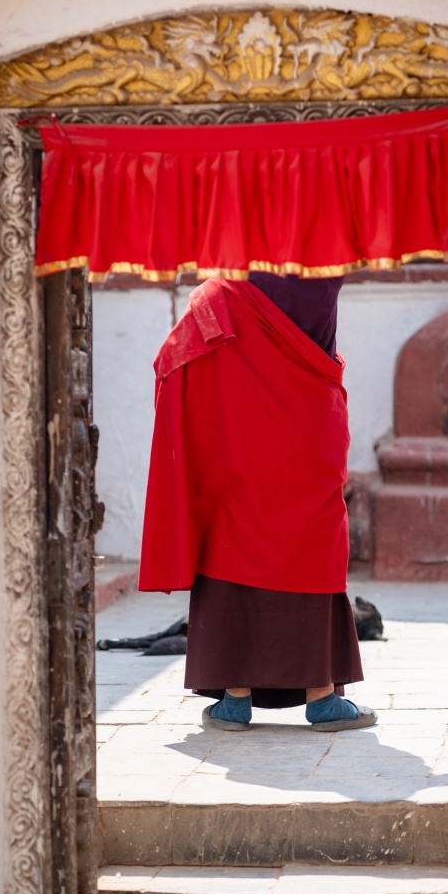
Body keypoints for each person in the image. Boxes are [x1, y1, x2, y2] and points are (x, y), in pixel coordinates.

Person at [138, 270, 376, 734]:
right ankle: (322, 698)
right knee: (312, 543)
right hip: (308, 427)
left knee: (234, 535)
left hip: (240, 434)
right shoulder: (325, 268)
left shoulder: (230, 285)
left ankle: (235, 698)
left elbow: (172, 356)